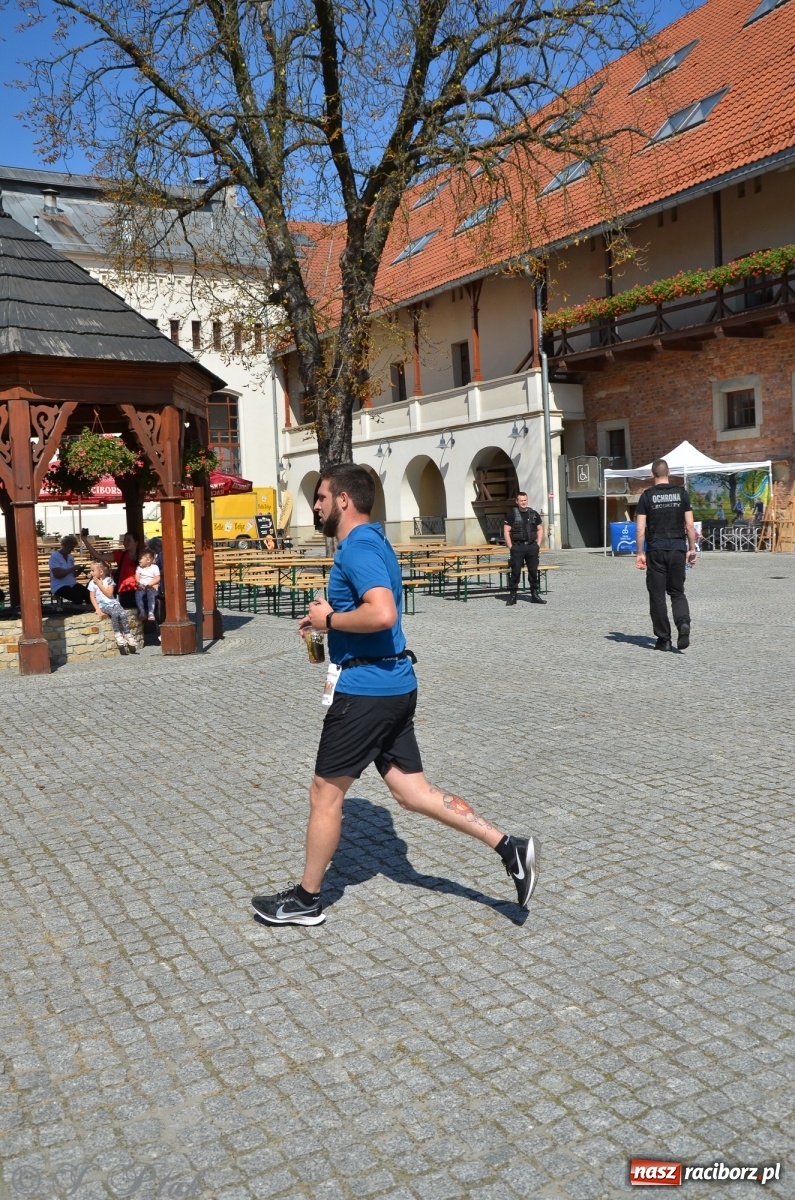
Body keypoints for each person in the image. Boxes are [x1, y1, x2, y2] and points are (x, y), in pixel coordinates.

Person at [251, 463, 539, 927]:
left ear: (343, 500)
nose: (316, 506)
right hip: (395, 683)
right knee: (412, 791)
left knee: (324, 793)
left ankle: (306, 900)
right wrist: (330, 620)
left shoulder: (358, 547)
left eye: (321, 497)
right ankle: (510, 848)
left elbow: (382, 613)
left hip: (365, 692)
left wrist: (329, 620)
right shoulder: (377, 541)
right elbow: (370, 609)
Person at [635, 458, 697, 652]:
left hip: (656, 550)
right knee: (677, 592)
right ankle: (683, 622)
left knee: (657, 595)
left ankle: (664, 640)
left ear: (652, 474)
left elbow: (640, 529)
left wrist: (640, 553)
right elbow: (689, 526)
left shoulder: (646, 496)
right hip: (677, 548)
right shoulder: (682, 493)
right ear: (669, 473)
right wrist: (692, 549)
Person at [503, 491, 546, 606]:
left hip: (532, 547)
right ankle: (513, 596)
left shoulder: (534, 514)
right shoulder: (512, 514)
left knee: (533, 571)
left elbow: (540, 529)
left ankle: (534, 595)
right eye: (521, 500)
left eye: (525, 500)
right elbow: (506, 531)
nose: (523, 502)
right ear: (517, 501)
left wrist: (538, 544)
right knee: (515, 571)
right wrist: (511, 547)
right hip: (518, 547)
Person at [87, 561, 137, 654]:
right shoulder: (92, 583)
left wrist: (100, 585)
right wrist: (97, 608)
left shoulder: (109, 580)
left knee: (123, 613)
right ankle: (118, 634)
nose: (91, 572)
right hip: (103, 605)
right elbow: (92, 597)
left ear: (101, 572)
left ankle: (127, 634)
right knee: (114, 614)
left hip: (113, 603)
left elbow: (109, 594)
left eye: (93, 570)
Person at [81, 530, 140, 608]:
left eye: (128, 540)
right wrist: (84, 540)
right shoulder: (120, 555)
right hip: (126, 591)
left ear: (136, 542)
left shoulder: (143, 555)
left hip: (141, 589)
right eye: (124, 540)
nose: (125, 542)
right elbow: (97, 556)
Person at [48, 535, 91, 606]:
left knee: (88, 594)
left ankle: (89, 609)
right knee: (77, 596)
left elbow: (73, 575)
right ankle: (76, 610)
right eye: (70, 547)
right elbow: (57, 575)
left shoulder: (70, 557)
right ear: (64, 545)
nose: (72, 550)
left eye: (73, 547)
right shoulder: (55, 556)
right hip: (59, 585)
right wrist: (73, 568)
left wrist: (79, 571)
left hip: (72, 584)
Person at [135, 548, 161, 622]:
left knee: (151, 595)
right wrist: (138, 583)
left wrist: (150, 584)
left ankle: (151, 613)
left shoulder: (154, 567)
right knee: (138, 595)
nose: (139, 560)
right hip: (142, 586)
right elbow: (137, 577)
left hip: (151, 586)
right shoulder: (139, 568)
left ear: (148, 560)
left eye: (141, 558)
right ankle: (142, 611)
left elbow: (157, 578)